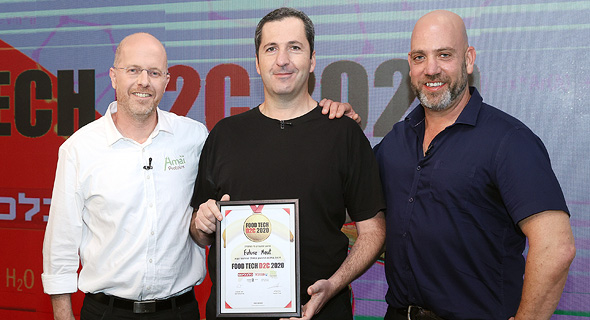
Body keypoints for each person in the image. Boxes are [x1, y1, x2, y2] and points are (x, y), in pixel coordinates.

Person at [41, 32, 356, 320]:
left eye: (154, 73)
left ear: (167, 80)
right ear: (113, 76)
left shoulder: (194, 137)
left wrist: (329, 115)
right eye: (132, 70)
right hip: (106, 311)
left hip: (180, 310)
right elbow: (61, 246)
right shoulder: (79, 149)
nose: (143, 81)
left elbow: (221, 200)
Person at [374, 10, 576, 320]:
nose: (431, 69)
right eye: (419, 57)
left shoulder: (510, 141)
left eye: (444, 55)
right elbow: (353, 197)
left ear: (468, 60)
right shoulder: (396, 140)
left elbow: (556, 247)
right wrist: (340, 127)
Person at [189, 7, 386, 320]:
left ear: (312, 60)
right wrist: (201, 224)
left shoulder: (343, 132)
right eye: (271, 49)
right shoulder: (224, 134)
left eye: (294, 47)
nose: (282, 60)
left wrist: (332, 286)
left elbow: (373, 232)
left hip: (322, 312)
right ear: (257, 62)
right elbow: (200, 232)